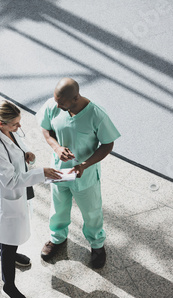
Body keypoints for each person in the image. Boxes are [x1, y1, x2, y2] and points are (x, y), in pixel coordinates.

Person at [36, 78, 121, 269]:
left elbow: (108, 144)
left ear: (75, 98)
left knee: (91, 211)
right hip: (59, 170)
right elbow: (46, 129)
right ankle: (57, 239)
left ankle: (97, 245)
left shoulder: (96, 115)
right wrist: (56, 148)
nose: (56, 105)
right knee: (58, 207)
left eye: (61, 103)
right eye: (55, 100)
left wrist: (85, 164)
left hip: (85, 174)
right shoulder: (53, 106)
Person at [0, 100, 61, 298]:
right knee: (8, 240)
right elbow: (10, 181)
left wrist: (29, 156)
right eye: (15, 124)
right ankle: (8, 286)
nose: (19, 128)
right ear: (2, 124)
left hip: (20, 191)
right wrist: (41, 173)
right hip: (8, 197)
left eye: (19, 123)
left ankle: (11, 252)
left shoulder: (9, 132)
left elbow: (19, 152)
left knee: (12, 235)